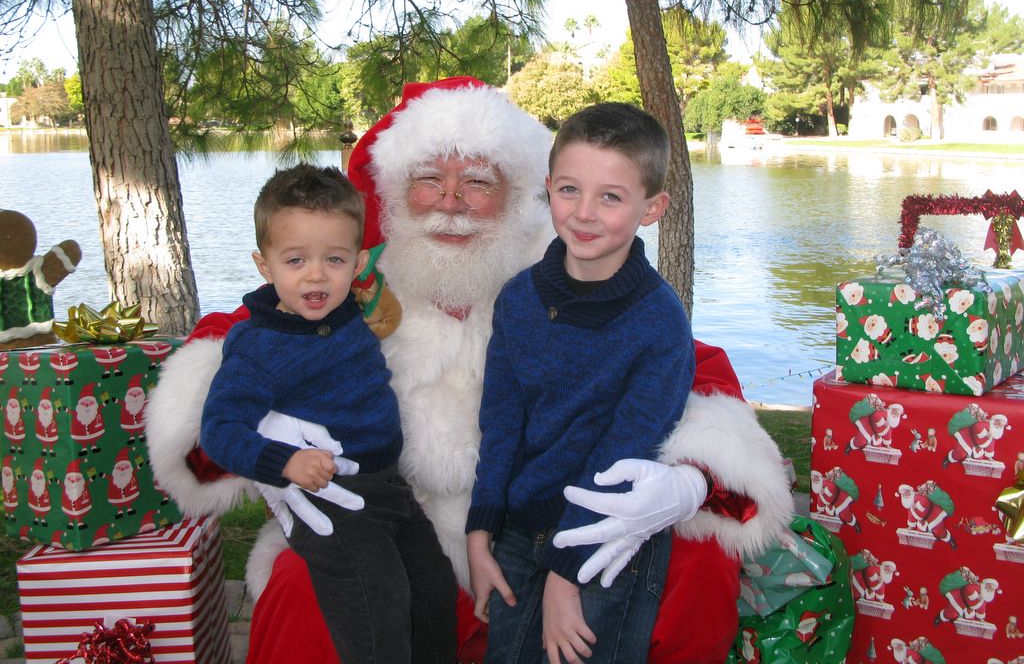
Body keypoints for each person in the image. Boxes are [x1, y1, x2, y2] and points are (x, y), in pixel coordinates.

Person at [146, 76, 794, 664]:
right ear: (395, 193)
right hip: (391, 523)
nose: (450, 201)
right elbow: (229, 346)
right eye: (429, 178)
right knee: (303, 586)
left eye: (479, 181)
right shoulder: (349, 279)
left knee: (691, 561)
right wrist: (268, 440)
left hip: (536, 523)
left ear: (519, 195)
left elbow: (692, 364)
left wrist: (689, 480)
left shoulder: (562, 269)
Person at [467, 103, 701, 663]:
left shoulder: (660, 324)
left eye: (611, 197)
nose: (585, 213)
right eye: (570, 189)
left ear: (652, 209)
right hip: (523, 531)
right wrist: (481, 532)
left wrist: (566, 577)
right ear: (548, 188)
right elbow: (501, 423)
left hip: (612, 538)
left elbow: (629, 448)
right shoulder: (519, 299)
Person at [198, 164, 456, 663]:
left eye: (333, 259)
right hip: (330, 501)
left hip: (389, 488)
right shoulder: (257, 346)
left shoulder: (350, 313)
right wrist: (284, 462)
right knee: (376, 607)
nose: (316, 274)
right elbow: (219, 430)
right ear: (264, 265)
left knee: (433, 591)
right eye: (295, 260)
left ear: (357, 261)